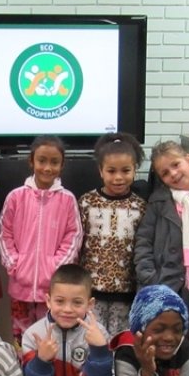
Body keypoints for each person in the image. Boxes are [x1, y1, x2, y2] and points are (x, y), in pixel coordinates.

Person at [134, 140, 189, 347]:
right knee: (157, 343)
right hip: (160, 285)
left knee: (187, 346)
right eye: (165, 173)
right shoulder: (158, 202)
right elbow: (143, 241)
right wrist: (150, 277)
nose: (173, 174)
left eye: (176, 165)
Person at [0, 135, 82, 347]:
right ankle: (24, 367)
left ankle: (47, 369)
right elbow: (4, 233)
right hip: (20, 286)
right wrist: (14, 264)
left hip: (53, 290)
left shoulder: (67, 199)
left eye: (54, 162)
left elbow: (73, 236)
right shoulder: (16, 197)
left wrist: (55, 268)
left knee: (50, 337)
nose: (47, 167)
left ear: (62, 165)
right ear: (31, 161)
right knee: (22, 339)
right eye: (42, 160)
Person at [78, 132, 148, 336]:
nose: (118, 177)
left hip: (126, 292)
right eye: (111, 171)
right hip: (91, 291)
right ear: (101, 171)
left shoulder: (140, 206)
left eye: (125, 170)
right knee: (92, 338)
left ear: (135, 169)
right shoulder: (86, 202)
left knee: (120, 341)